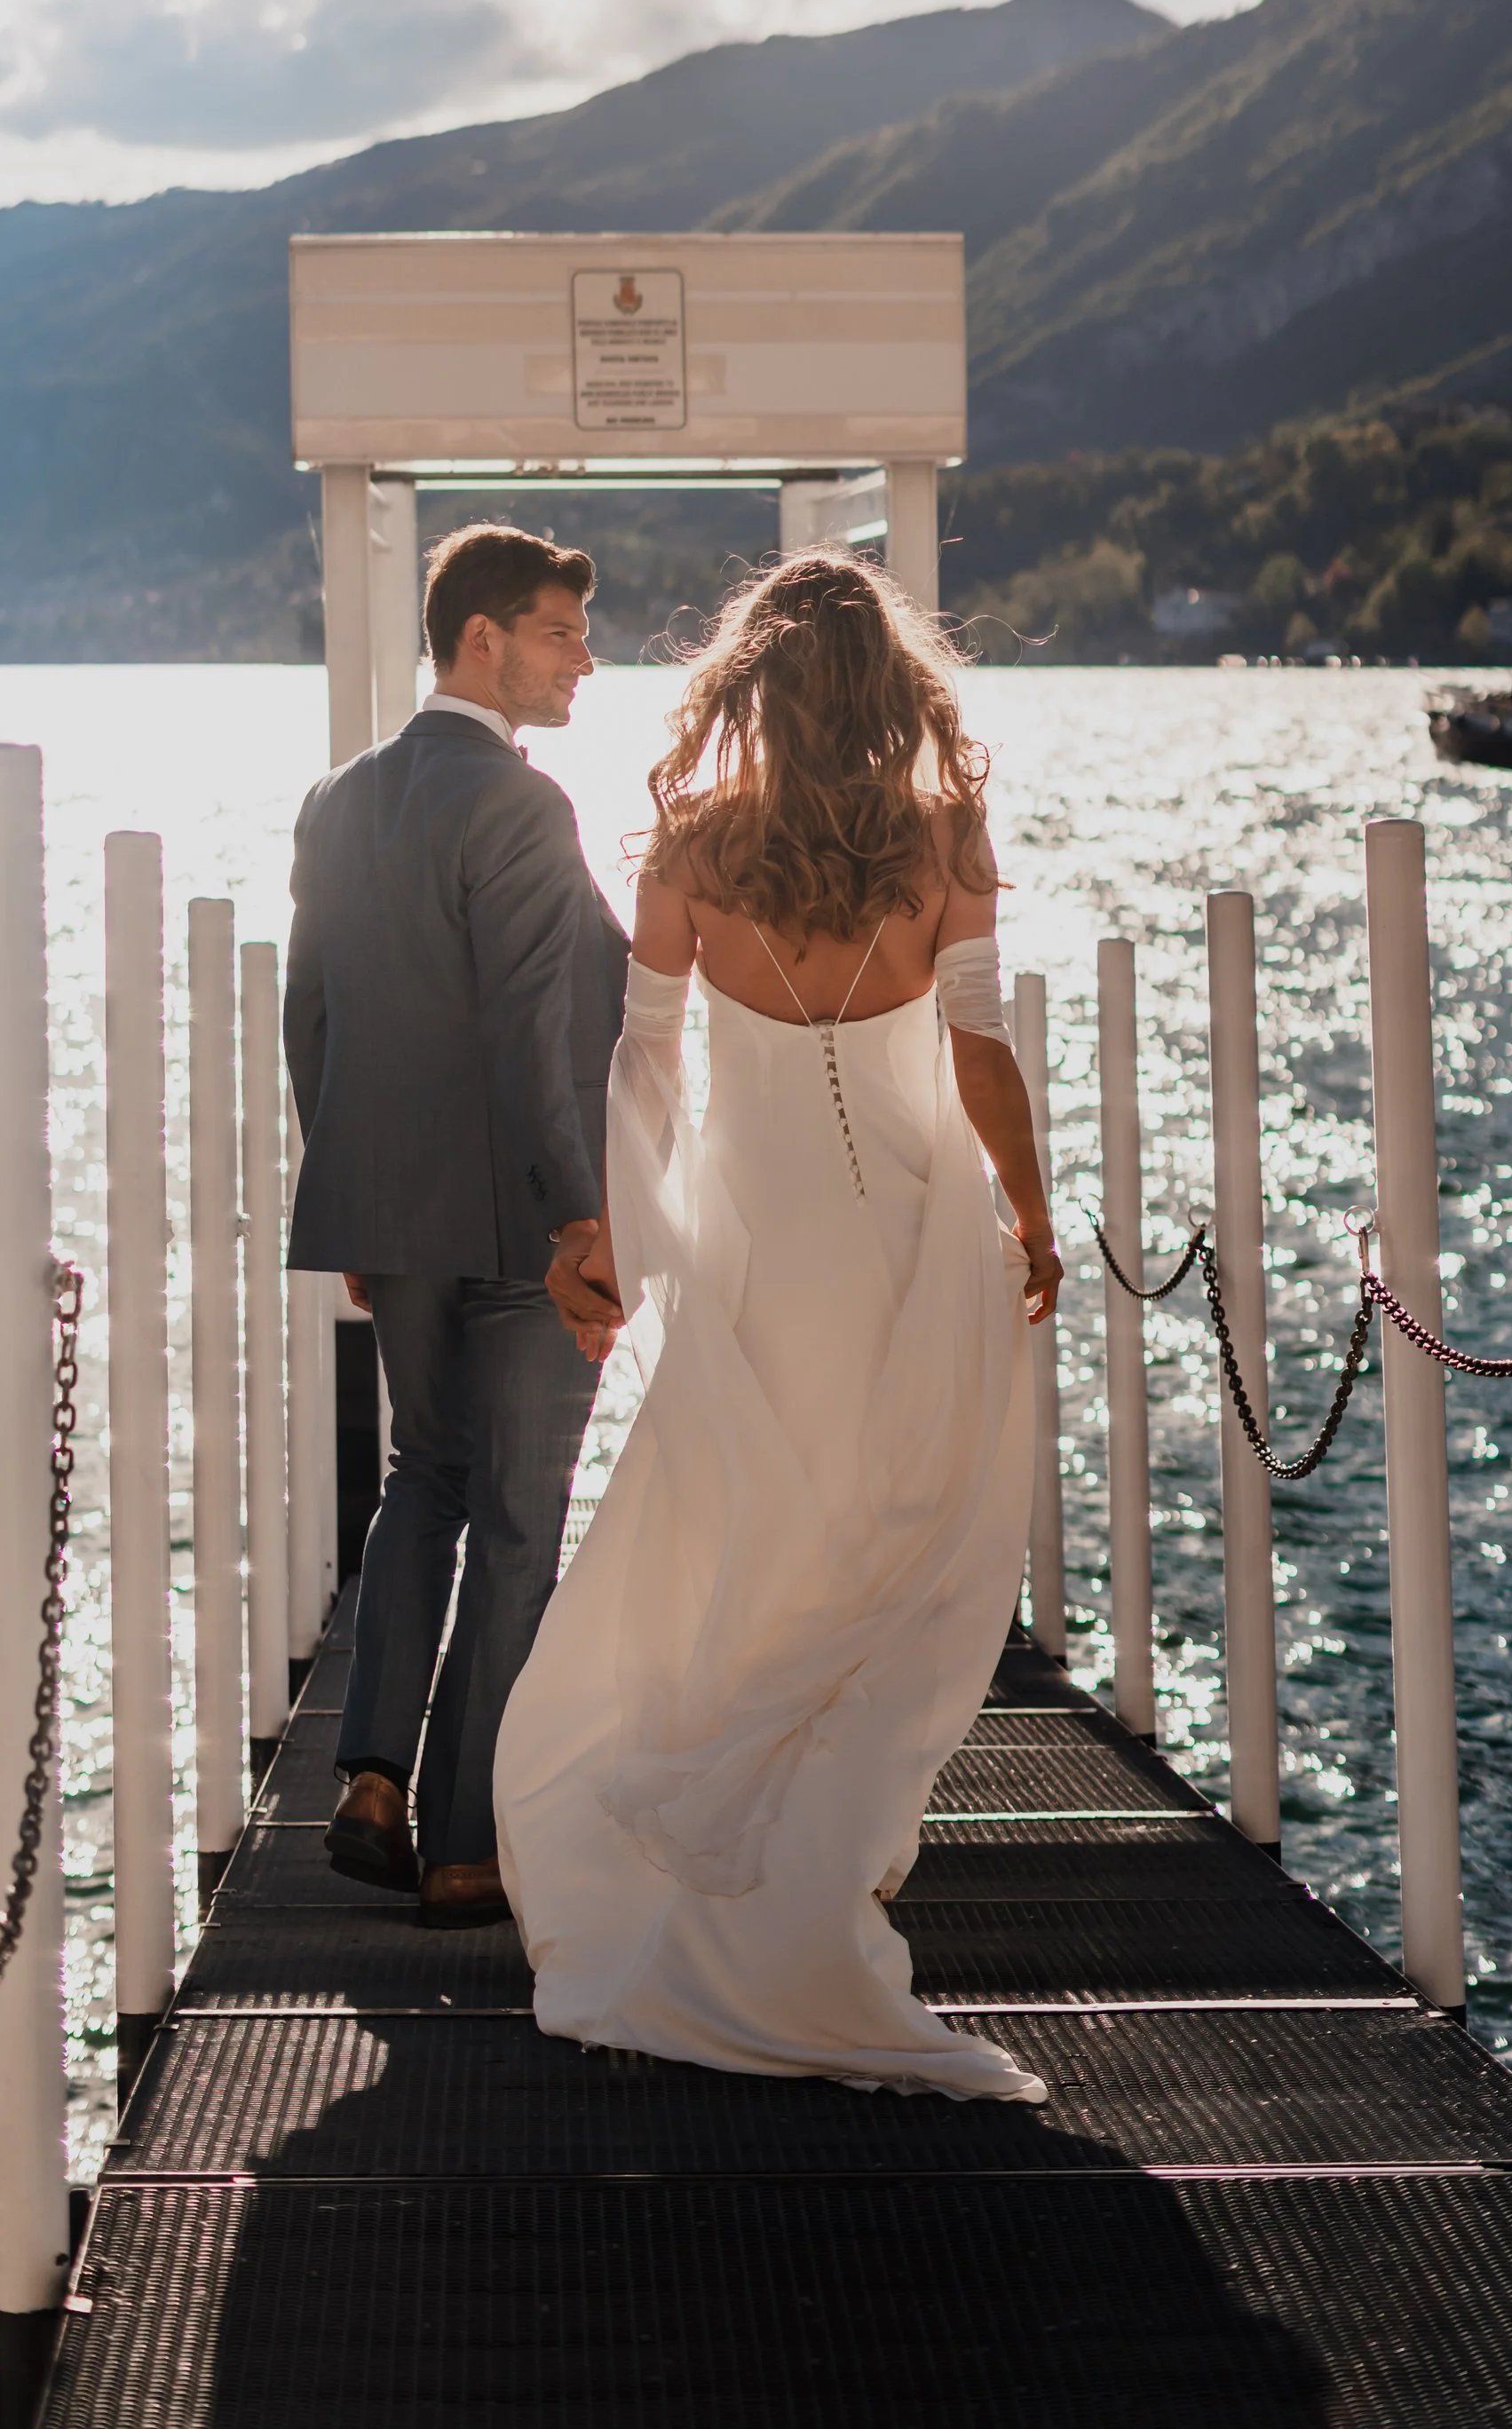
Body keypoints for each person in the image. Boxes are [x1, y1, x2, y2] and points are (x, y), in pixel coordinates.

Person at [495, 550, 1063, 2099]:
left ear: (749, 680)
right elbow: (981, 1046)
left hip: (757, 1255)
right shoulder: (944, 832)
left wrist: (635, 1227)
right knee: (889, 1553)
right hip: (906, 1241)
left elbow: (648, 1058)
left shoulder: (694, 838)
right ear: (894, 687)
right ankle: (819, 1876)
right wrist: (1031, 1210)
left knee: (759, 1551)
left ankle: (739, 1886)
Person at [283, 522, 628, 1928]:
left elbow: (310, 1018)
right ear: (481, 636)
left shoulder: (338, 801)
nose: (583, 659)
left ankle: (371, 1775)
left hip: (396, 1215)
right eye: (560, 631)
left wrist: (352, 1190)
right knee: (518, 1521)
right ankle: (466, 1839)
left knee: (420, 1477)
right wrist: (579, 1221)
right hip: (517, 1219)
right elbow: (533, 1038)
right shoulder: (524, 807)